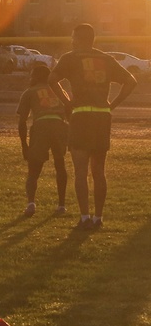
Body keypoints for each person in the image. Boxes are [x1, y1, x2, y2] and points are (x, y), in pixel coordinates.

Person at [49, 23, 136, 230]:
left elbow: (52, 79)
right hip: (102, 117)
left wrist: (67, 102)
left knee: (81, 171)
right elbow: (131, 81)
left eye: (73, 38)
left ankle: (84, 217)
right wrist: (112, 104)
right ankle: (98, 217)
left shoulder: (70, 58)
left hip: (81, 115)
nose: (71, 41)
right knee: (99, 171)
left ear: (78, 39)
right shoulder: (106, 58)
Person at [16, 65, 68, 217]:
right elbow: (69, 111)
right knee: (60, 164)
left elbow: (22, 121)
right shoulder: (59, 90)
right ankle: (61, 205)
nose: (30, 78)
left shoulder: (30, 92)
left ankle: (31, 204)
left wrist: (24, 145)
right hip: (59, 125)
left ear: (37, 76)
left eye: (32, 75)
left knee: (34, 169)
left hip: (41, 126)